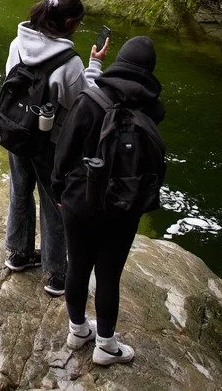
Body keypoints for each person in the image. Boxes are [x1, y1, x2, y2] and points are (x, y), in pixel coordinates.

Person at [51, 36, 166, 366]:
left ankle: (78, 331)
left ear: (120, 61)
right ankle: (106, 345)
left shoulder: (90, 99)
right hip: (125, 205)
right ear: (149, 70)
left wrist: (59, 191)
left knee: (77, 265)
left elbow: (64, 151)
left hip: (80, 200)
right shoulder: (154, 109)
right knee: (109, 275)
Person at [3, 0, 105, 296]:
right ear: (70, 24)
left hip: (16, 132)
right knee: (53, 201)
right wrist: (95, 66)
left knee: (19, 191)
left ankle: (19, 254)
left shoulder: (17, 43)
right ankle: (56, 273)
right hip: (49, 142)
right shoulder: (69, 62)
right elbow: (83, 104)